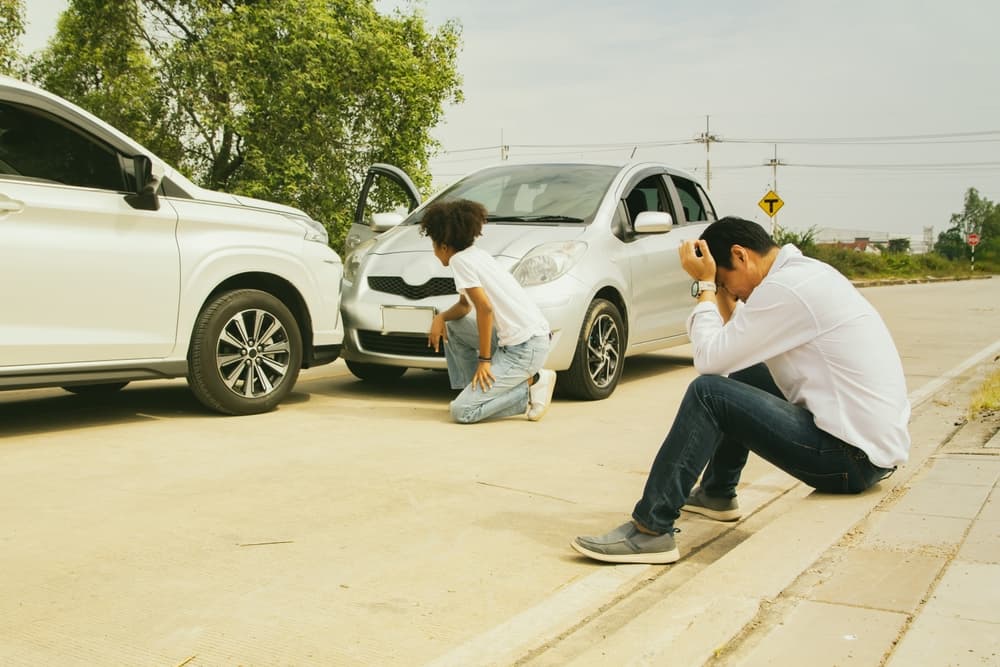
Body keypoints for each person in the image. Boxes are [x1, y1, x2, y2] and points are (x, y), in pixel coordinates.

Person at [572, 216, 910, 564]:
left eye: (725, 280)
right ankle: (718, 493)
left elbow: (709, 361)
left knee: (708, 393)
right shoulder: (802, 276)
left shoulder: (785, 290)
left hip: (850, 460)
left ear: (740, 255)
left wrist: (704, 286)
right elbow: (736, 344)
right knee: (744, 370)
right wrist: (716, 285)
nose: (729, 292)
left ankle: (651, 530)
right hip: (868, 451)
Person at [421, 199, 556, 423]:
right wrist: (441, 317)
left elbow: (485, 309)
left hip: (525, 348)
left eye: (434, 245)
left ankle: (534, 383)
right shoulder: (476, 255)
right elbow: (465, 307)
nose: (434, 252)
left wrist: (484, 360)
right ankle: (471, 392)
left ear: (443, 245)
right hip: (527, 339)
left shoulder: (459, 261)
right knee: (453, 327)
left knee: (462, 412)